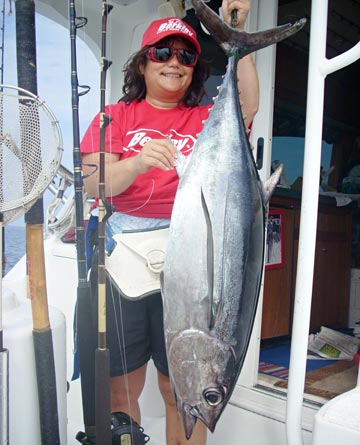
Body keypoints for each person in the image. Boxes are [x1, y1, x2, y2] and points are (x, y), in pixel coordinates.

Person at [80, 1, 259, 443]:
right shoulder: (114, 117)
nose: (174, 62)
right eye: (162, 53)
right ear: (142, 63)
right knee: (122, 384)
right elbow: (95, 184)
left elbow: (249, 104)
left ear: (195, 67)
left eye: (186, 55)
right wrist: (138, 163)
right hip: (126, 257)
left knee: (181, 383)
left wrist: (239, 37)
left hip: (191, 255)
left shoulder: (203, 119)